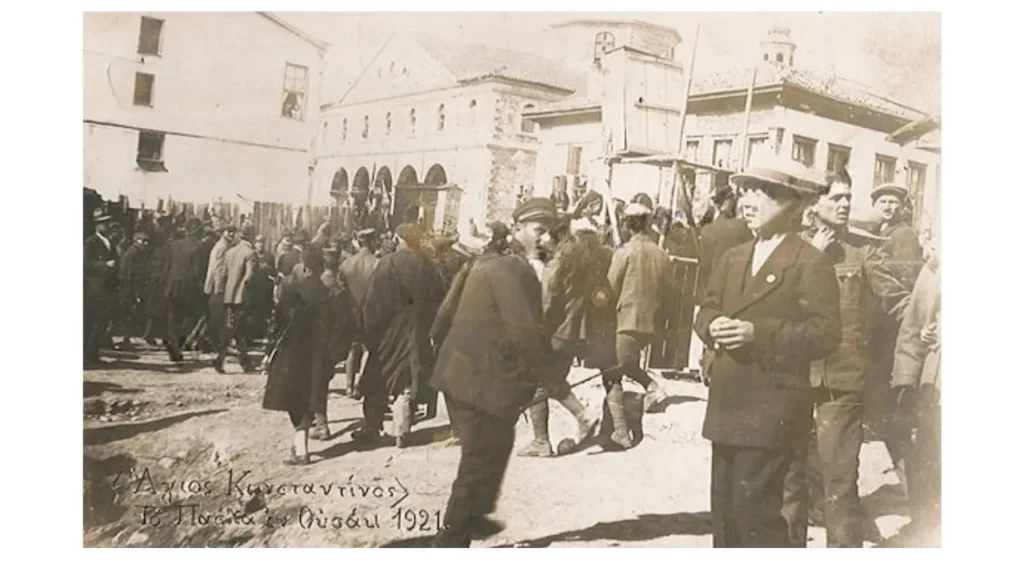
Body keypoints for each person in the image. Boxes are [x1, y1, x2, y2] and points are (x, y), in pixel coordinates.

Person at [693, 158, 841, 548]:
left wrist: (758, 334)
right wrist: (711, 326)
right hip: (727, 407)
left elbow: (826, 335)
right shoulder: (734, 256)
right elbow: (707, 307)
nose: (749, 201)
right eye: (746, 191)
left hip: (771, 413)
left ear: (793, 203)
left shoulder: (810, 261)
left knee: (758, 521)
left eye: (764, 192)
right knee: (725, 520)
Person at [782, 170, 911, 547]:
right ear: (813, 204)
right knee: (790, 480)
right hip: (793, 377)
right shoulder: (791, 250)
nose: (844, 204)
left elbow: (899, 301)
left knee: (839, 481)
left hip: (842, 379)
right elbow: (772, 305)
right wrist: (812, 258)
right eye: (836, 197)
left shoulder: (862, 250)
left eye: (848, 197)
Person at [431, 198, 558, 547]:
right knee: (479, 456)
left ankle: (475, 515)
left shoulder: (488, 261)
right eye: (540, 231)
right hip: (475, 378)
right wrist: (557, 385)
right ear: (518, 230)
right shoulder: (514, 269)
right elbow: (526, 332)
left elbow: (445, 313)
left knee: (499, 441)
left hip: (464, 371)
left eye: (552, 232)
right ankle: (450, 542)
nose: (548, 239)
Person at [517, 216, 601, 458]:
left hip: (555, 333)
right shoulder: (580, 259)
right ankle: (584, 417)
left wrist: (534, 329)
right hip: (574, 331)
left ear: (555, 236)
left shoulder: (556, 264)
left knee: (537, 384)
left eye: (544, 234)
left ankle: (542, 441)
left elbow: (547, 302)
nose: (540, 238)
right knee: (552, 381)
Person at [356, 224, 446, 448]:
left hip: (389, 331)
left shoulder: (388, 263)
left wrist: (369, 330)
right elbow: (440, 299)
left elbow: (375, 301)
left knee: (377, 376)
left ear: (399, 239)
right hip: (418, 330)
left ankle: (371, 427)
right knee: (408, 378)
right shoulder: (429, 266)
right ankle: (402, 429)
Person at [261, 249, 338, 466]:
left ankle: (301, 448)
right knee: (306, 397)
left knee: (291, 398)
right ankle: (300, 447)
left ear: (304, 267)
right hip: (317, 352)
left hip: (293, 350)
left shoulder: (291, 287)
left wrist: (268, 351)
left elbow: (279, 322)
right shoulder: (325, 290)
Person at [890, 229, 940, 547]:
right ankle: (924, 526)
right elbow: (911, 328)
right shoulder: (935, 269)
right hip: (931, 386)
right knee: (926, 454)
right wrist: (905, 383)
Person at [606, 200, 672, 429]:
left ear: (628, 224)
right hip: (652, 320)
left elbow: (611, 286)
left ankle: (620, 430)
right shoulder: (661, 254)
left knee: (614, 368)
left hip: (627, 319)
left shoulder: (625, 252)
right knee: (623, 363)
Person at [340, 228, 380, 398]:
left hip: (351, 311)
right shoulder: (377, 263)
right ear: (372, 242)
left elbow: (340, 290)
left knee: (352, 348)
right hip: (370, 311)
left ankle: (348, 385)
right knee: (367, 349)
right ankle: (359, 385)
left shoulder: (347, 264)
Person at [163, 219, 207, 362]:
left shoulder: (174, 245)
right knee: (189, 318)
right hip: (189, 288)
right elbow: (198, 270)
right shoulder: (199, 247)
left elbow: (167, 266)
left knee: (173, 317)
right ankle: (178, 345)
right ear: (198, 231)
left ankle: (172, 343)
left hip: (172, 285)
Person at [221, 225, 259, 373]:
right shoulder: (250, 253)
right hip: (242, 297)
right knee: (239, 330)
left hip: (229, 296)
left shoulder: (230, 252)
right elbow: (250, 277)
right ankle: (229, 359)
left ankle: (237, 360)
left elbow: (224, 274)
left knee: (233, 328)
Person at [84, 208, 119, 364]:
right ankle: (87, 355)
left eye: (107, 222)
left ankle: (93, 353)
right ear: (97, 225)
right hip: (94, 288)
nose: (107, 225)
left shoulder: (109, 242)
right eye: (103, 223)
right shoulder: (91, 242)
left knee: (101, 322)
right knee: (92, 322)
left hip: (107, 287)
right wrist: (104, 264)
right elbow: (85, 264)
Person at [203, 224, 237, 370]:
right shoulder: (222, 247)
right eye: (228, 232)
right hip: (218, 288)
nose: (231, 234)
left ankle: (215, 347)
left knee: (217, 320)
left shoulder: (224, 245)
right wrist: (220, 290)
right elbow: (219, 269)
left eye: (233, 232)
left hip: (216, 287)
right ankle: (216, 348)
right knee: (219, 320)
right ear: (223, 233)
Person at [115, 230, 152, 350]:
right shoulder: (133, 253)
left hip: (131, 288)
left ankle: (126, 339)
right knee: (128, 315)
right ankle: (125, 340)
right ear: (136, 240)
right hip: (129, 289)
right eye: (143, 240)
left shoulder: (138, 252)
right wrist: (136, 293)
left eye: (147, 241)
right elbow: (130, 275)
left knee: (129, 315)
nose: (145, 243)